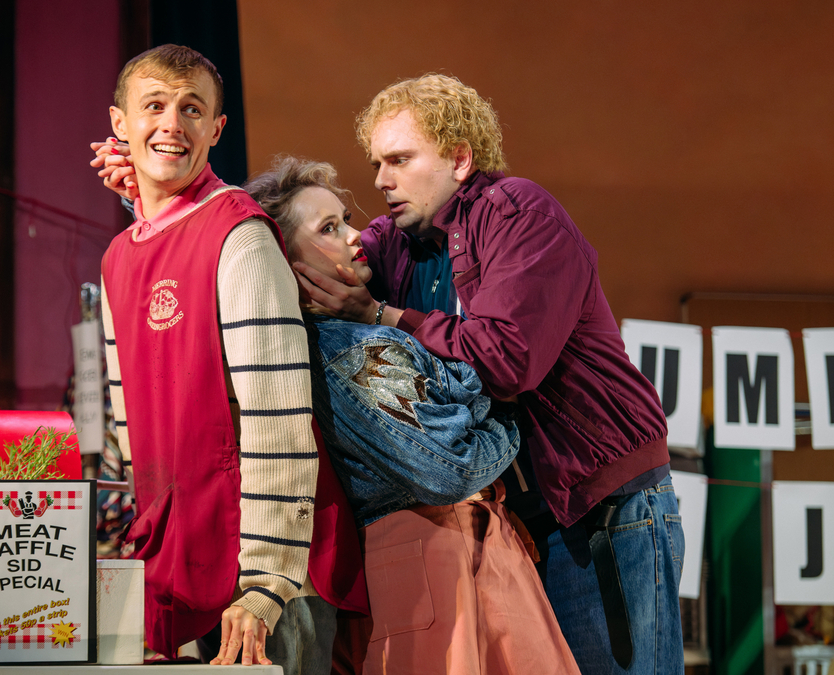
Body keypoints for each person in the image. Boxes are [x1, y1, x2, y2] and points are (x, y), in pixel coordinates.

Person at [291, 74, 685, 674]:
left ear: (459, 158)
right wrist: (162, 189)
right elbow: (293, 246)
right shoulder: (396, 240)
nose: (380, 180)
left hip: (603, 506)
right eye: (376, 162)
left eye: (399, 159)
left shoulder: (519, 213)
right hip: (521, 520)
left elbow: (507, 360)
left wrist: (382, 315)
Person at [243, 156, 580, 675]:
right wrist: (507, 413)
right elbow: (453, 469)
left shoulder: (349, 341)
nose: (357, 237)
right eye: (330, 228)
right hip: (433, 561)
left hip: (451, 556)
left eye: (346, 220)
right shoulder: (352, 350)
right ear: (287, 264)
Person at [95, 45, 366, 674]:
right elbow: (129, 430)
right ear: (119, 123)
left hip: (265, 580)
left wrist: (267, 582)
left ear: (216, 129)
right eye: (154, 106)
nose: (172, 124)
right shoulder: (119, 256)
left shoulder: (238, 235)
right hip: (181, 568)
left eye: (192, 109)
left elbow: (277, 412)